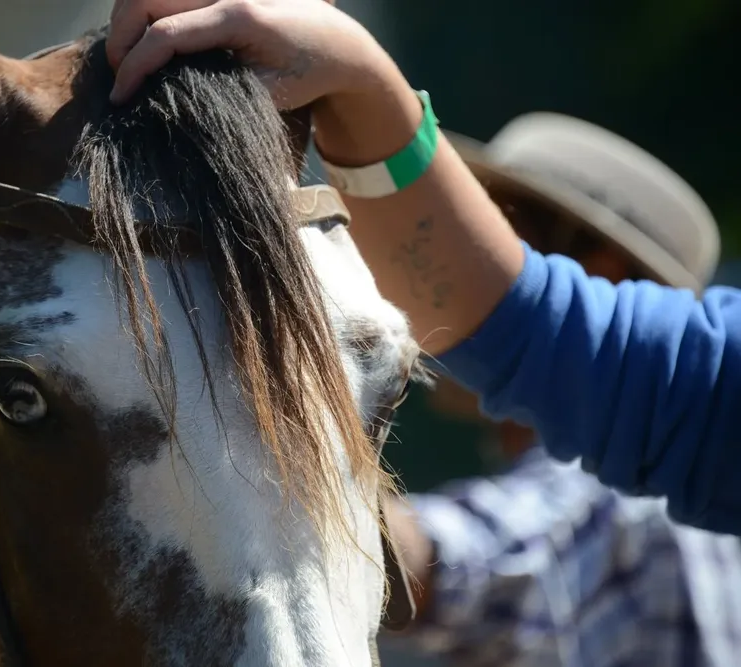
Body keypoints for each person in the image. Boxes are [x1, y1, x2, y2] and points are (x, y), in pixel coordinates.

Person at [104, 0, 741, 536]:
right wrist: (356, 75)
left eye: (495, 220)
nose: (396, 243)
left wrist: (226, 460)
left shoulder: (615, 511)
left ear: (604, 276)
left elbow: (465, 561)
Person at [374, 118, 741, 667]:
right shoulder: (685, 488)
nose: (429, 279)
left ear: (601, 280)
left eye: (485, 244)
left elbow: (460, 562)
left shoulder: (622, 497)